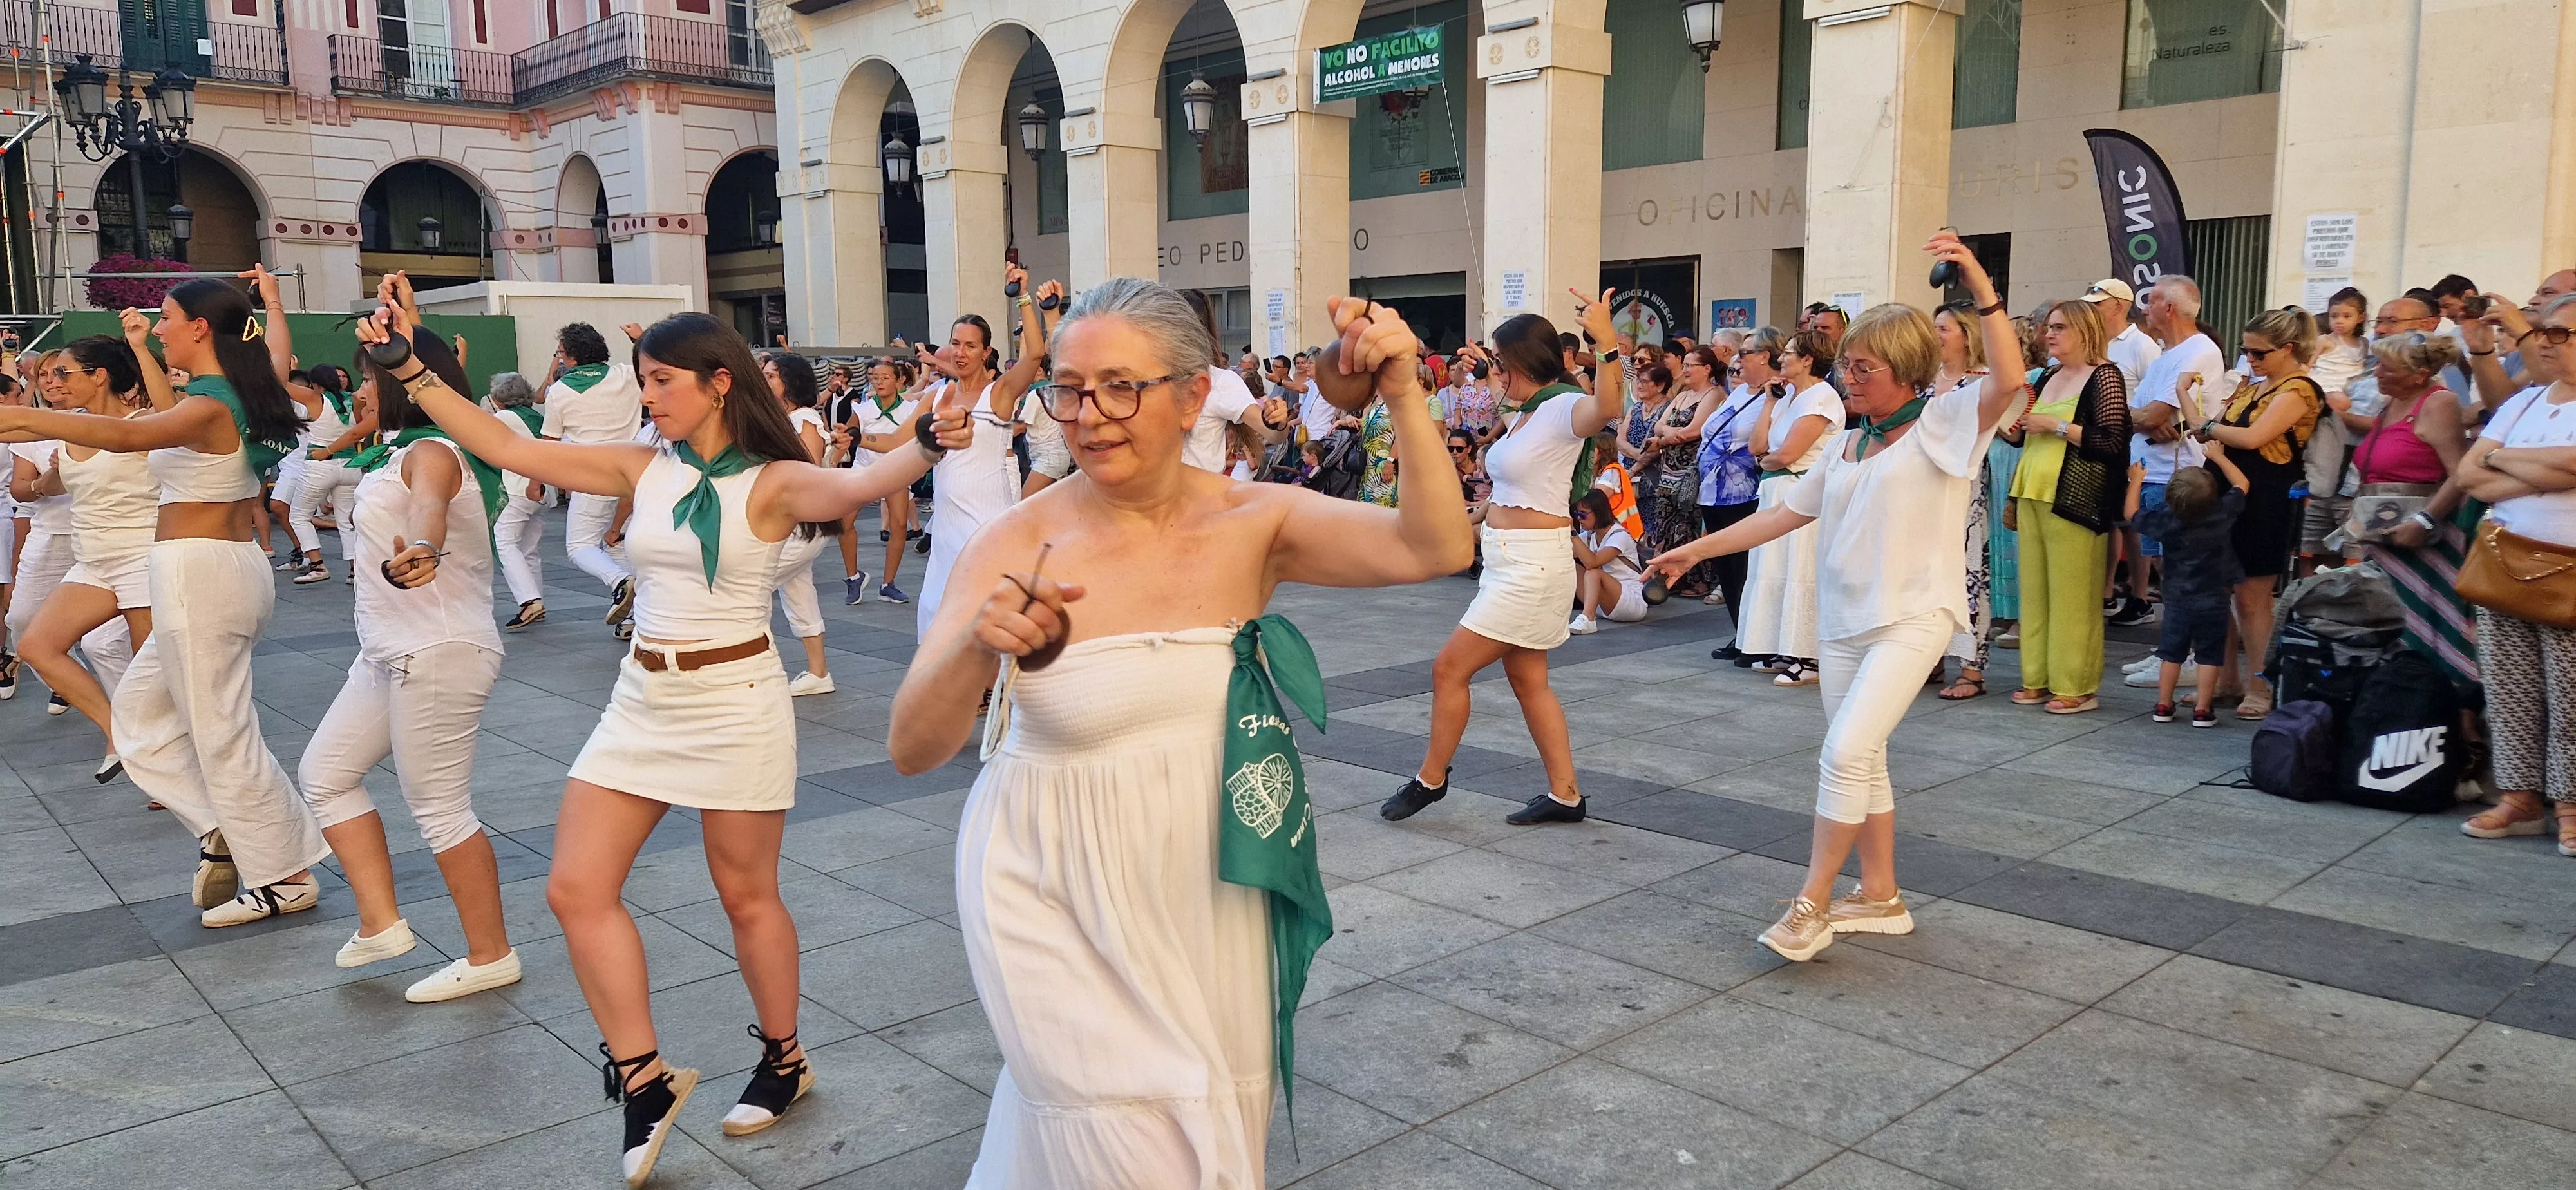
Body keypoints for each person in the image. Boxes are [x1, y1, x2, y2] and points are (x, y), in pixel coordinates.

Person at [361, 301, 972, 1183]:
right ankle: (645, 1079)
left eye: (662, 382)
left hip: (736, 698)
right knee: (576, 889)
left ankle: (784, 1060)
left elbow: (852, 491)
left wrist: (927, 448)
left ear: (720, 383)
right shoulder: (642, 468)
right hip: (643, 696)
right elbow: (509, 449)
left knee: (746, 895)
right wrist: (413, 368)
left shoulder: (770, 480)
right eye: (643, 381)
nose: (649, 400)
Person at [886, 281, 1472, 1185]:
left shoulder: (1255, 522)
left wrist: (1403, 391)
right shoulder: (1013, 540)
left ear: (1194, 396)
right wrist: (976, 646)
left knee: (1206, 1128)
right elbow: (913, 748)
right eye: (1072, 389)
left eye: (1121, 387)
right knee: (1120, 1144)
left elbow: (1435, 548)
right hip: (1047, 884)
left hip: (1209, 885)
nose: (1090, 415)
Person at [1646, 232, 2027, 960]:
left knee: (1846, 752)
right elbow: (1781, 514)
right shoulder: (1850, 444)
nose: (1848, 378)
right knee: (1864, 758)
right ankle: (1879, 894)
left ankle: (1812, 902)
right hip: (1844, 621)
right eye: (1846, 365)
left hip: (1912, 617)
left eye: (1862, 367)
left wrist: (1980, 282)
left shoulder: (1945, 425)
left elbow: (2007, 378)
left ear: (1906, 370)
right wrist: (1692, 549)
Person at [0, 269, 327, 926]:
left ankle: (285, 877)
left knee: (222, 733)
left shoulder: (210, 405)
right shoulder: (238, 388)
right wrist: (270, 305)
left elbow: (125, 436)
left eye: (169, 320)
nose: (162, 330)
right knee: (142, 727)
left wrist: (21, 414)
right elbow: (276, 351)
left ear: (200, 328)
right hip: (209, 568)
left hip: (200, 573)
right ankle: (229, 832)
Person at [299, 321, 522, 1001]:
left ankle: (491, 955)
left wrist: (420, 547)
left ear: (402, 382)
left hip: (440, 648)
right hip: (387, 649)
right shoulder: (392, 451)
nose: (360, 388)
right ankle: (381, 923)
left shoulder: (433, 449)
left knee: (440, 809)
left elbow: (429, 503)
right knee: (325, 775)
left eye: (368, 377)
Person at [1381, 290, 1624, 826]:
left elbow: (1607, 407)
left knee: (1449, 669)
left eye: (1498, 360)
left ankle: (1432, 779)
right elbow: (1520, 490)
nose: (1494, 368)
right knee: (1528, 681)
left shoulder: (1563, 407)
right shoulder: (1525, 413)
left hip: (1533, 569)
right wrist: (1472, 517)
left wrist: (1605, 343)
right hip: (1511, 560)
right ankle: (1566, 795)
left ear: (1520, 361)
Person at [2454, 292, 2576, 856]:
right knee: (2511, 689)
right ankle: (2522, 798)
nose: (2546, 342)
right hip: (2506, 558)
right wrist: (2543, 470)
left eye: (2562, 335)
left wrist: (2500, 460)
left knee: (2570, 694)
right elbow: (2470, 474)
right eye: (2544, 332)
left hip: (2568, 567)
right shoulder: (2524, 402)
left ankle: (2571, 805)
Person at [10, 335, 149, 777]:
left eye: (64, 372)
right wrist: (51, 473)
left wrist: (142, 348)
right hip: (92, 561)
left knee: (154, 676)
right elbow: (43, 474)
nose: (55, 380)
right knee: (35, 643)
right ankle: (119, 734)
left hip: (141, 558)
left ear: (100, 377)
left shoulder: (147, 424)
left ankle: (171, 763)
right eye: (49, 374)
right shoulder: (69, 424)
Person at [2186, 307, 2322, 719]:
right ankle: (2226, 680)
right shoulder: (2255, 386)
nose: (2250, 359)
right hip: (2226, 489)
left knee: (2253, 597)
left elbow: (2252, 438)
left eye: (2259, 353)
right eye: (2246, 351)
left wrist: (2208, 428)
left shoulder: (2300, 390)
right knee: (2217, 591)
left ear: (2289, 349)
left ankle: (2261, 685)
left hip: (2265, 495)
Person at [2003, 299, 2132, 714]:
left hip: (2075, 494)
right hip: (2032, 490)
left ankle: (2075, 685)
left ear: (2084, 331)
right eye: (2049, 327)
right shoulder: (2048, 376)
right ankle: (2036, 678)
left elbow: (2112, 441)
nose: (2049, 334)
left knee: (2074, 596)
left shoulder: (2105, 376)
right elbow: (2020, 436)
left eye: (2060, 327)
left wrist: (2056, 426)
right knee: (2035, 592)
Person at [914, 267, 1046, 638]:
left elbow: (1035, 353)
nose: (960, 352)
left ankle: (992, 693)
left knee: (987, 616)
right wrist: (855, 440)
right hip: (946, 526)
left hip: (987, 523)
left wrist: (1022, 296)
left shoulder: (999, 393)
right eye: (955, 343)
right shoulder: (937, 395)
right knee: (938, 615)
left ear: (986, 352)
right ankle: (959, 693)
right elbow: (898, 446)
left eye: (971, 346)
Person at [2345, 332, 2477, 686]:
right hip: (2385, 539)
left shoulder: (2438, 402)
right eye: (2376, 365)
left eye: (2387, 368)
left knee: (2436, 631)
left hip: (2428, 541)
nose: (2377, 374)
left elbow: (2461, 473)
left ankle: (2451, 713)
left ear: (2419, 375)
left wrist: (2425, 518)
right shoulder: (2391, 403)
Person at [2116, 276, 2224, 689]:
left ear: (2171, 309)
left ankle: (2187, 656)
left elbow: (2153, 416)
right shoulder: (2168, 353)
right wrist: (2143, 417)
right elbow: (2145, 416)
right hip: (2153, 473)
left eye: (2152, 301)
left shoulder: (2198, 352)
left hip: (2176, 477)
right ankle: (2172, 651)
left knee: (2179, 571)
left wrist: (2132, 413)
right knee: (2166, 568)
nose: (2144, 308)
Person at [1736, 329, 1844, 685]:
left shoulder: (1823, 398)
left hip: (1803, 493)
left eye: (1788, 353)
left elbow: (1788, 454)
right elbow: (1757, 447)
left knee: (1801, 570)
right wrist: (1770, 402)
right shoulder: (1785, 398)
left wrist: (1770, 460)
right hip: (1776, 491)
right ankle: (1783, 646)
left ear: (1808, 359)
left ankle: (1811, 657)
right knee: (1775, 568)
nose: (1780, 359)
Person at [540, 321, 647, 632]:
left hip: (592, 475)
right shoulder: (627, 376)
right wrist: (640, 339)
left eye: (560, 354)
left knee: (579, 546)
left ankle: (618, 581)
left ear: (572, 357)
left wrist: (540, 482)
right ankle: (634, 620)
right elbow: (656, 363)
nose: (559, 359)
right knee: (619, 541)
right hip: (634, 473)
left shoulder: (558, 392)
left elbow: (548, 444)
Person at [2128, 452, 2246, 727]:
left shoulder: (2167, 521)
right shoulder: (2221, 513)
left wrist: (2136, 481)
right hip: (2215, 598)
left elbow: (2131, 515)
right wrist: (2218, 456)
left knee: (2170, 653)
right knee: (2209, 655)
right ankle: (2203, 710)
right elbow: (2242, 483)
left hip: (2177, 599)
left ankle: (2163, 704)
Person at [1928, 305, 1995, 699]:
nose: (1935, 334)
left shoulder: (1982, 382)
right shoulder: (1923, 379)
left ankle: (1972, 667)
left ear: (1966, 334)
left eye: (1943, 328)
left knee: (1968, 575)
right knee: (1925, 573)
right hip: (1924, 487)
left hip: (1964, 487)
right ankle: (1930, 655)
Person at [763, 350, 837, 695]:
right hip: (793, 522)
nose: (765, 381)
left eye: (771, 376)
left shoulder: (804, 418)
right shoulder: (787, 419)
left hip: (801, 523)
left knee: (752, 587)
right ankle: (818, 673)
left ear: (790, 382)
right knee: (797, 591)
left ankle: (757, 669)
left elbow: (806, 468)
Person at [1699, 335, 1773, 658]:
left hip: (1743, 492)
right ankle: (1740, 633)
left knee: (1745, 566)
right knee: (1726, 568)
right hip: (1713, 490)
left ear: (1765, 356)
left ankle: (1756, 639)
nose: (1737, 361)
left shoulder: (1777, 395)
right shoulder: (1740, 392)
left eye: (1745, 354)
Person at [833, 358, 922, 604]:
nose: (880, 382)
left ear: (899, 381)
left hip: (895, 470)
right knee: (844, 522)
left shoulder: (910, 411)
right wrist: (831, 464)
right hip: (864, 469)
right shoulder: (863, 410)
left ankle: (888, 583)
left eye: (886, 378)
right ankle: (853, 577)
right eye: (876, 378)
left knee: (900, 525)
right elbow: (846, 438)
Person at [2298, 287, 2373, 572]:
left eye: (2346, 315)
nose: (2339, 321)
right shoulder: (2326, 341)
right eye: (2334, 316)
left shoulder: (2365, 345)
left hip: (2349, 396)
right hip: (2327, 391)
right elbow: (2308, 367)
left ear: (2361, 317)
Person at [285, 361, 374, 585]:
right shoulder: (354, 399)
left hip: (319, 465)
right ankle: (355, 571)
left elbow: (279, 384)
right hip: (350, 466)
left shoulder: (315, 399)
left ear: (315, 384)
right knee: (347, 521)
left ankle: (317, 565)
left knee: (298, 516)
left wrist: (288, 367)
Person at [1642, 359, 1718, 598]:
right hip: (1669, 471)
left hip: (1691, 471)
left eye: (1691, 365)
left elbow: (1695, 430)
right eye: (1684, 365)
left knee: (1691, 522)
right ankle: (1669, 578)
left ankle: (1699, 580)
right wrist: (1668, 433)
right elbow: (1659, 426)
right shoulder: (1682, 395)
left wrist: (1664, 439)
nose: (1684, 370)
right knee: (1667, 522)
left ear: (1707, 369)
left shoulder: (1713, 395)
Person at [484, 372, 550, 629]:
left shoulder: (503, 418)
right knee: (529, 549)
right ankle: (537, 600)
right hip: (544, 488)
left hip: (517, 487)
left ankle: (529, 601)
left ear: (498, 397)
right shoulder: (537, 416)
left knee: (504, 543)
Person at [1569, 488, 1647, 633]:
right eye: (1576, 514)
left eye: (1583, 514)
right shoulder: (1589, 536)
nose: (1579, 518)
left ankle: (1588, 618)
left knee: (1594, 572)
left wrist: (1573, 533)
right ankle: (1582, 612)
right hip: (1604, 605)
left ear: (1599, 513)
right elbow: (1565, 553)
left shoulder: (1619, 535)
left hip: (1631, 602)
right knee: (1569, 565)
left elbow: (1593, 562)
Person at [2084, 279, 2163, 390]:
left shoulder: (2144, 346)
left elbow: (2155, 395)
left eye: (2097, 304)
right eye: (2087, 304)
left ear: (2118, 308)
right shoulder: (2084, 342)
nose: (2089, 309)